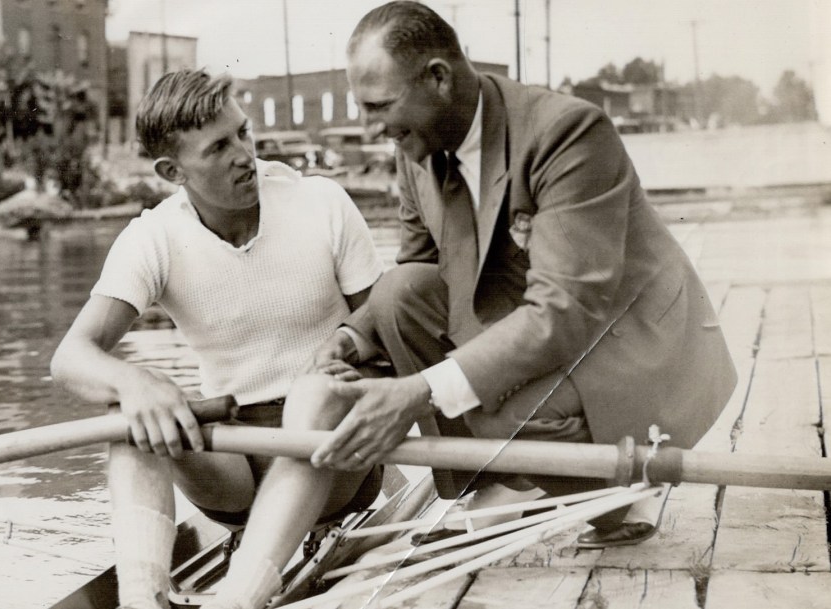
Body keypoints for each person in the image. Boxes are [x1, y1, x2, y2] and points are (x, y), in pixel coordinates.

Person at [308, 0, 737, 549]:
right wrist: (352, 335)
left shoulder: (567, 132)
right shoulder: (416, 144)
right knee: (398, 296)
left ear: (438, 79)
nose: (371, 128)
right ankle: (506, 480)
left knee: (491, 407)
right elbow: (418, 267)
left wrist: (420, 390)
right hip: (541, 320)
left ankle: (610, 497)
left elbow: (563, 310)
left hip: (630, 340)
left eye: (379, 106)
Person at [50, 69, 383, 609]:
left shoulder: (322, 203)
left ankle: (240, 599)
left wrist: (354, 357)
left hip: (332, 458)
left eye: (244, 134)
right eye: (219, 147)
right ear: (171, 170)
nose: (244, 154)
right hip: (233, 467)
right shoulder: (154, 237)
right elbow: (71, 358)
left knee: (317, 395)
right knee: (128, 412)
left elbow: (385, 330)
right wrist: (136, 384)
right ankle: (142, 598)